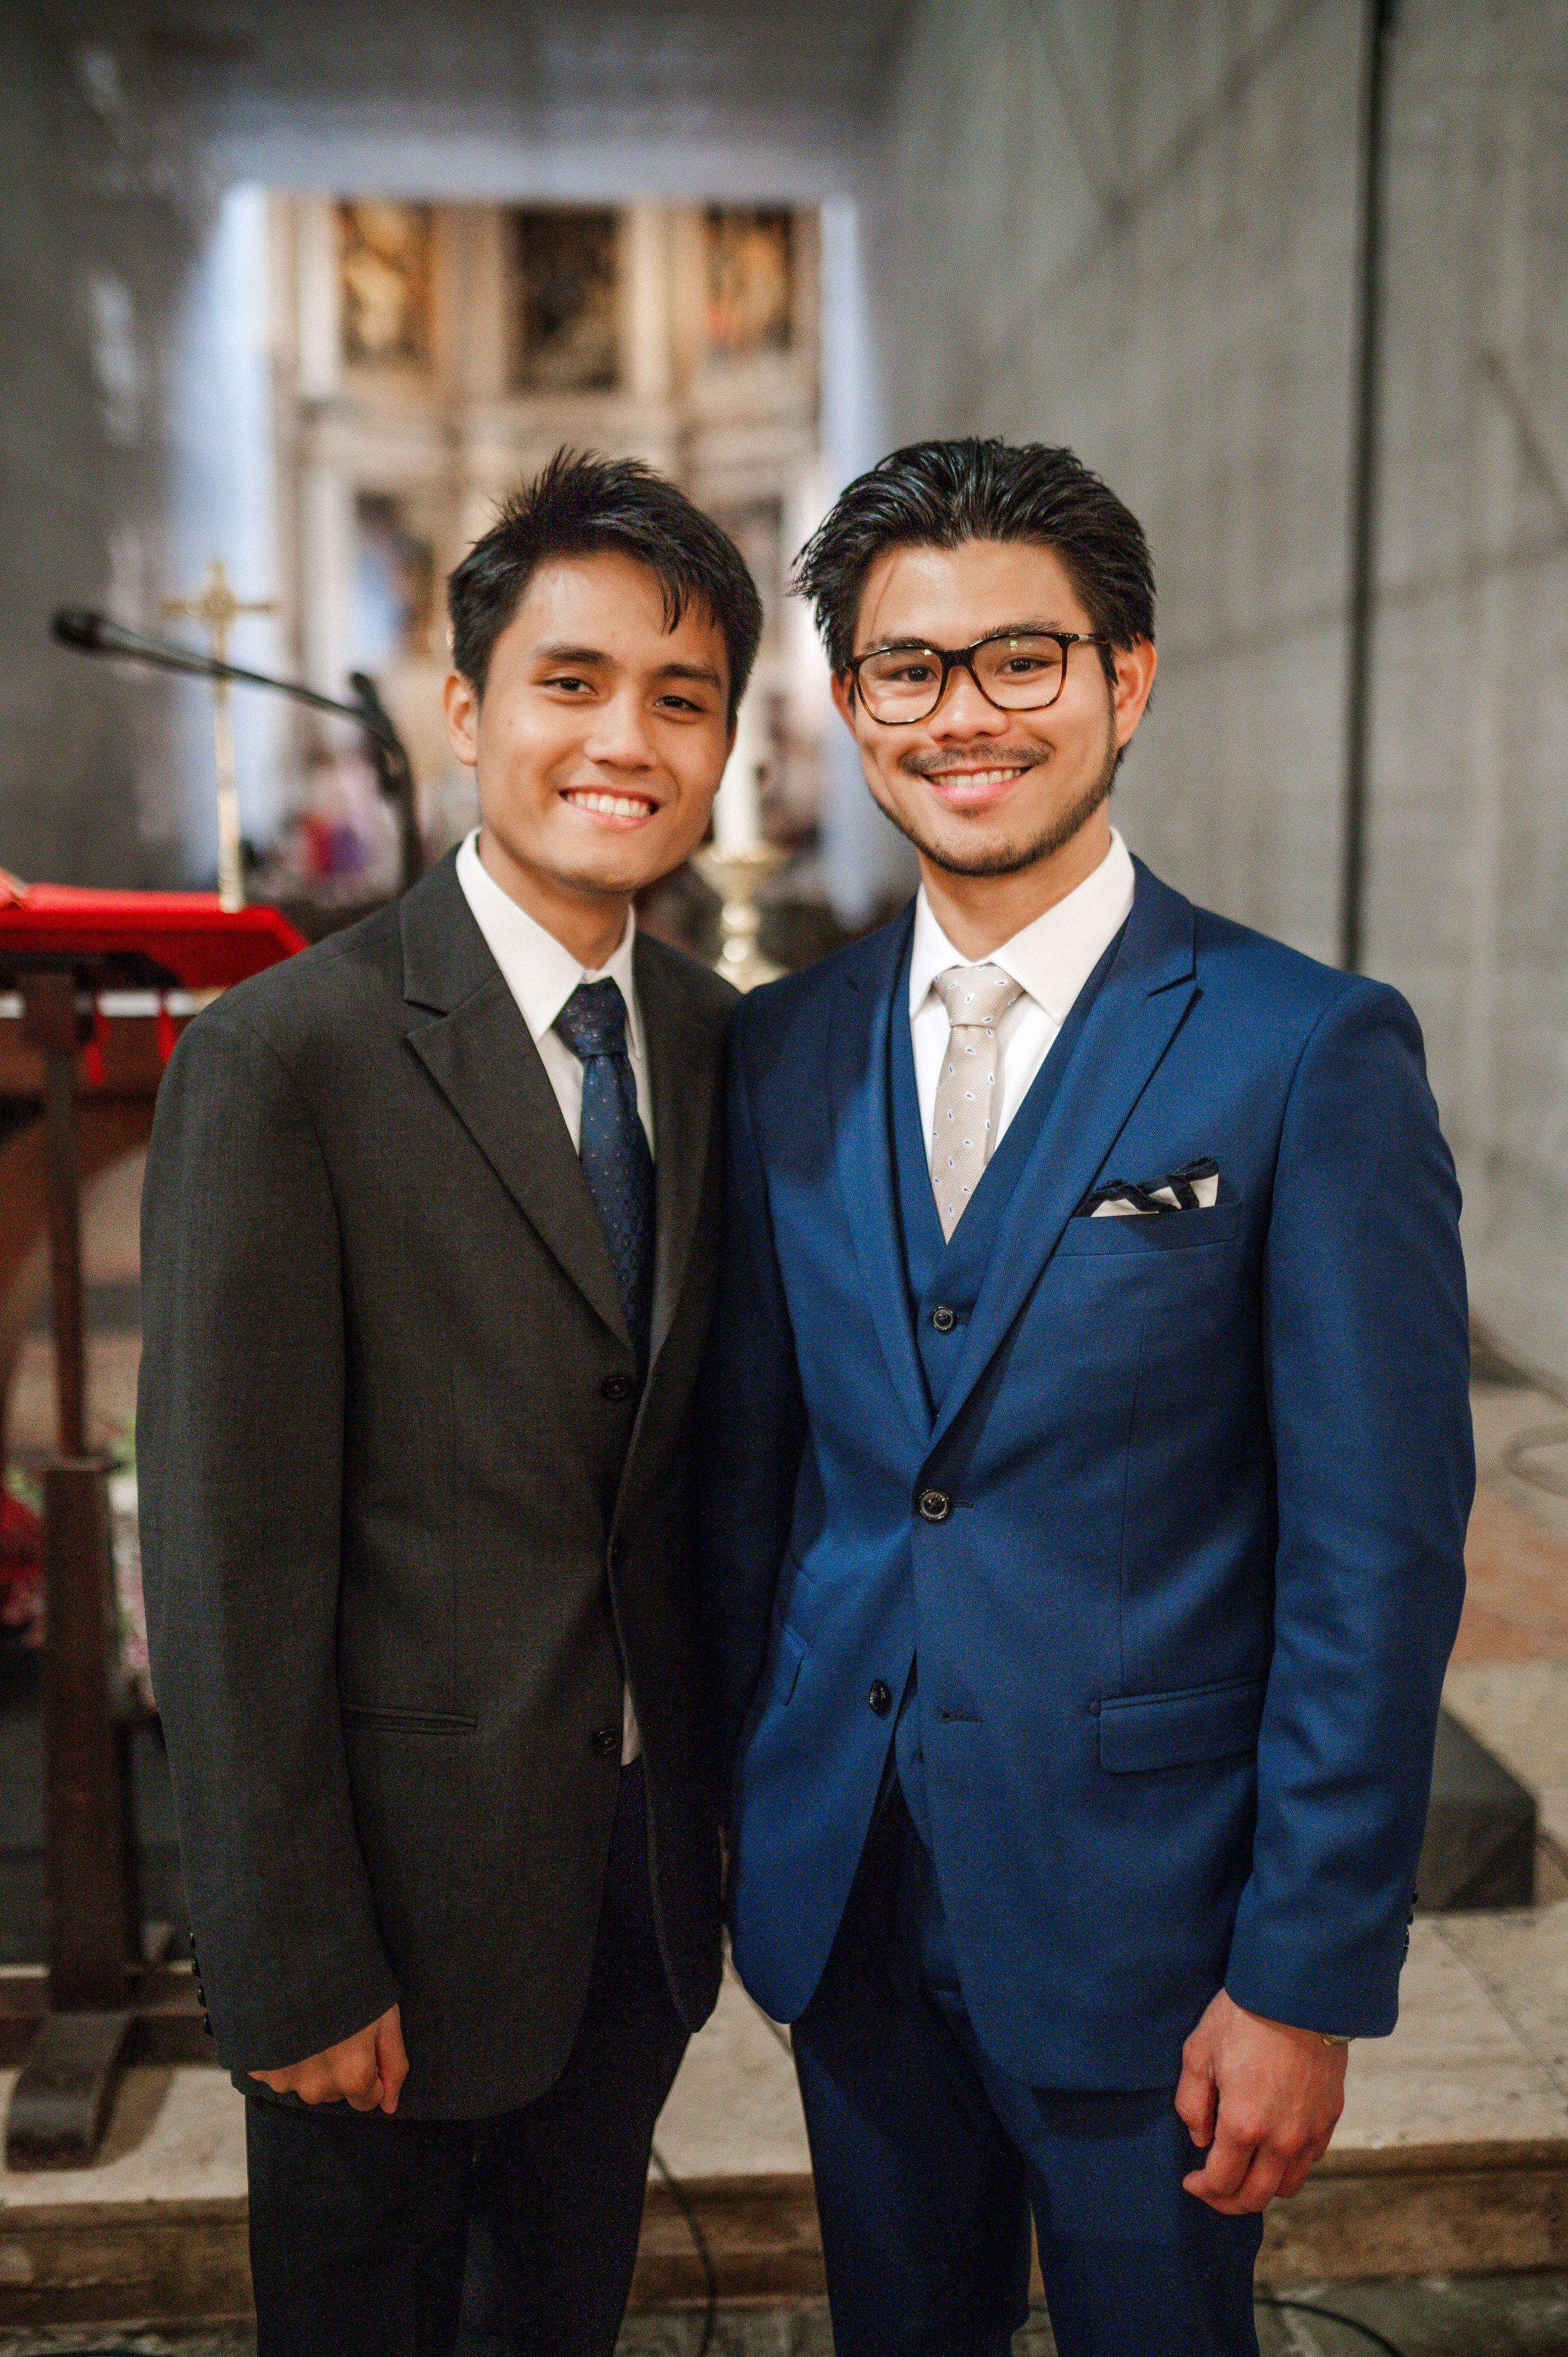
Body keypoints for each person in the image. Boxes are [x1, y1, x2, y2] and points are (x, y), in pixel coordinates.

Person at [698, 437, 1471, 2357]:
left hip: (1156, 1937)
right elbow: (766, 1483)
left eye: (1021, 660)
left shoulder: (1306, 1050)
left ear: (1128, 678)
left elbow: (1376, 1558)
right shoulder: (783, 1052)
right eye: (908, 669)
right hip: (852, 1903)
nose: (965, 716)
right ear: (858, 710)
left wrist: (1305, 1978)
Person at [139, 448, 761, 2357]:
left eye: (682, 699)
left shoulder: (723, 1045)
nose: (625, 742)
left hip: (637, 1899)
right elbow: (227, 1564)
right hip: (385, 1922)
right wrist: (288, 1960)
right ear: (468, 706)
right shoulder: (287, 1061)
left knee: (558, 2316)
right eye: (572, 684)